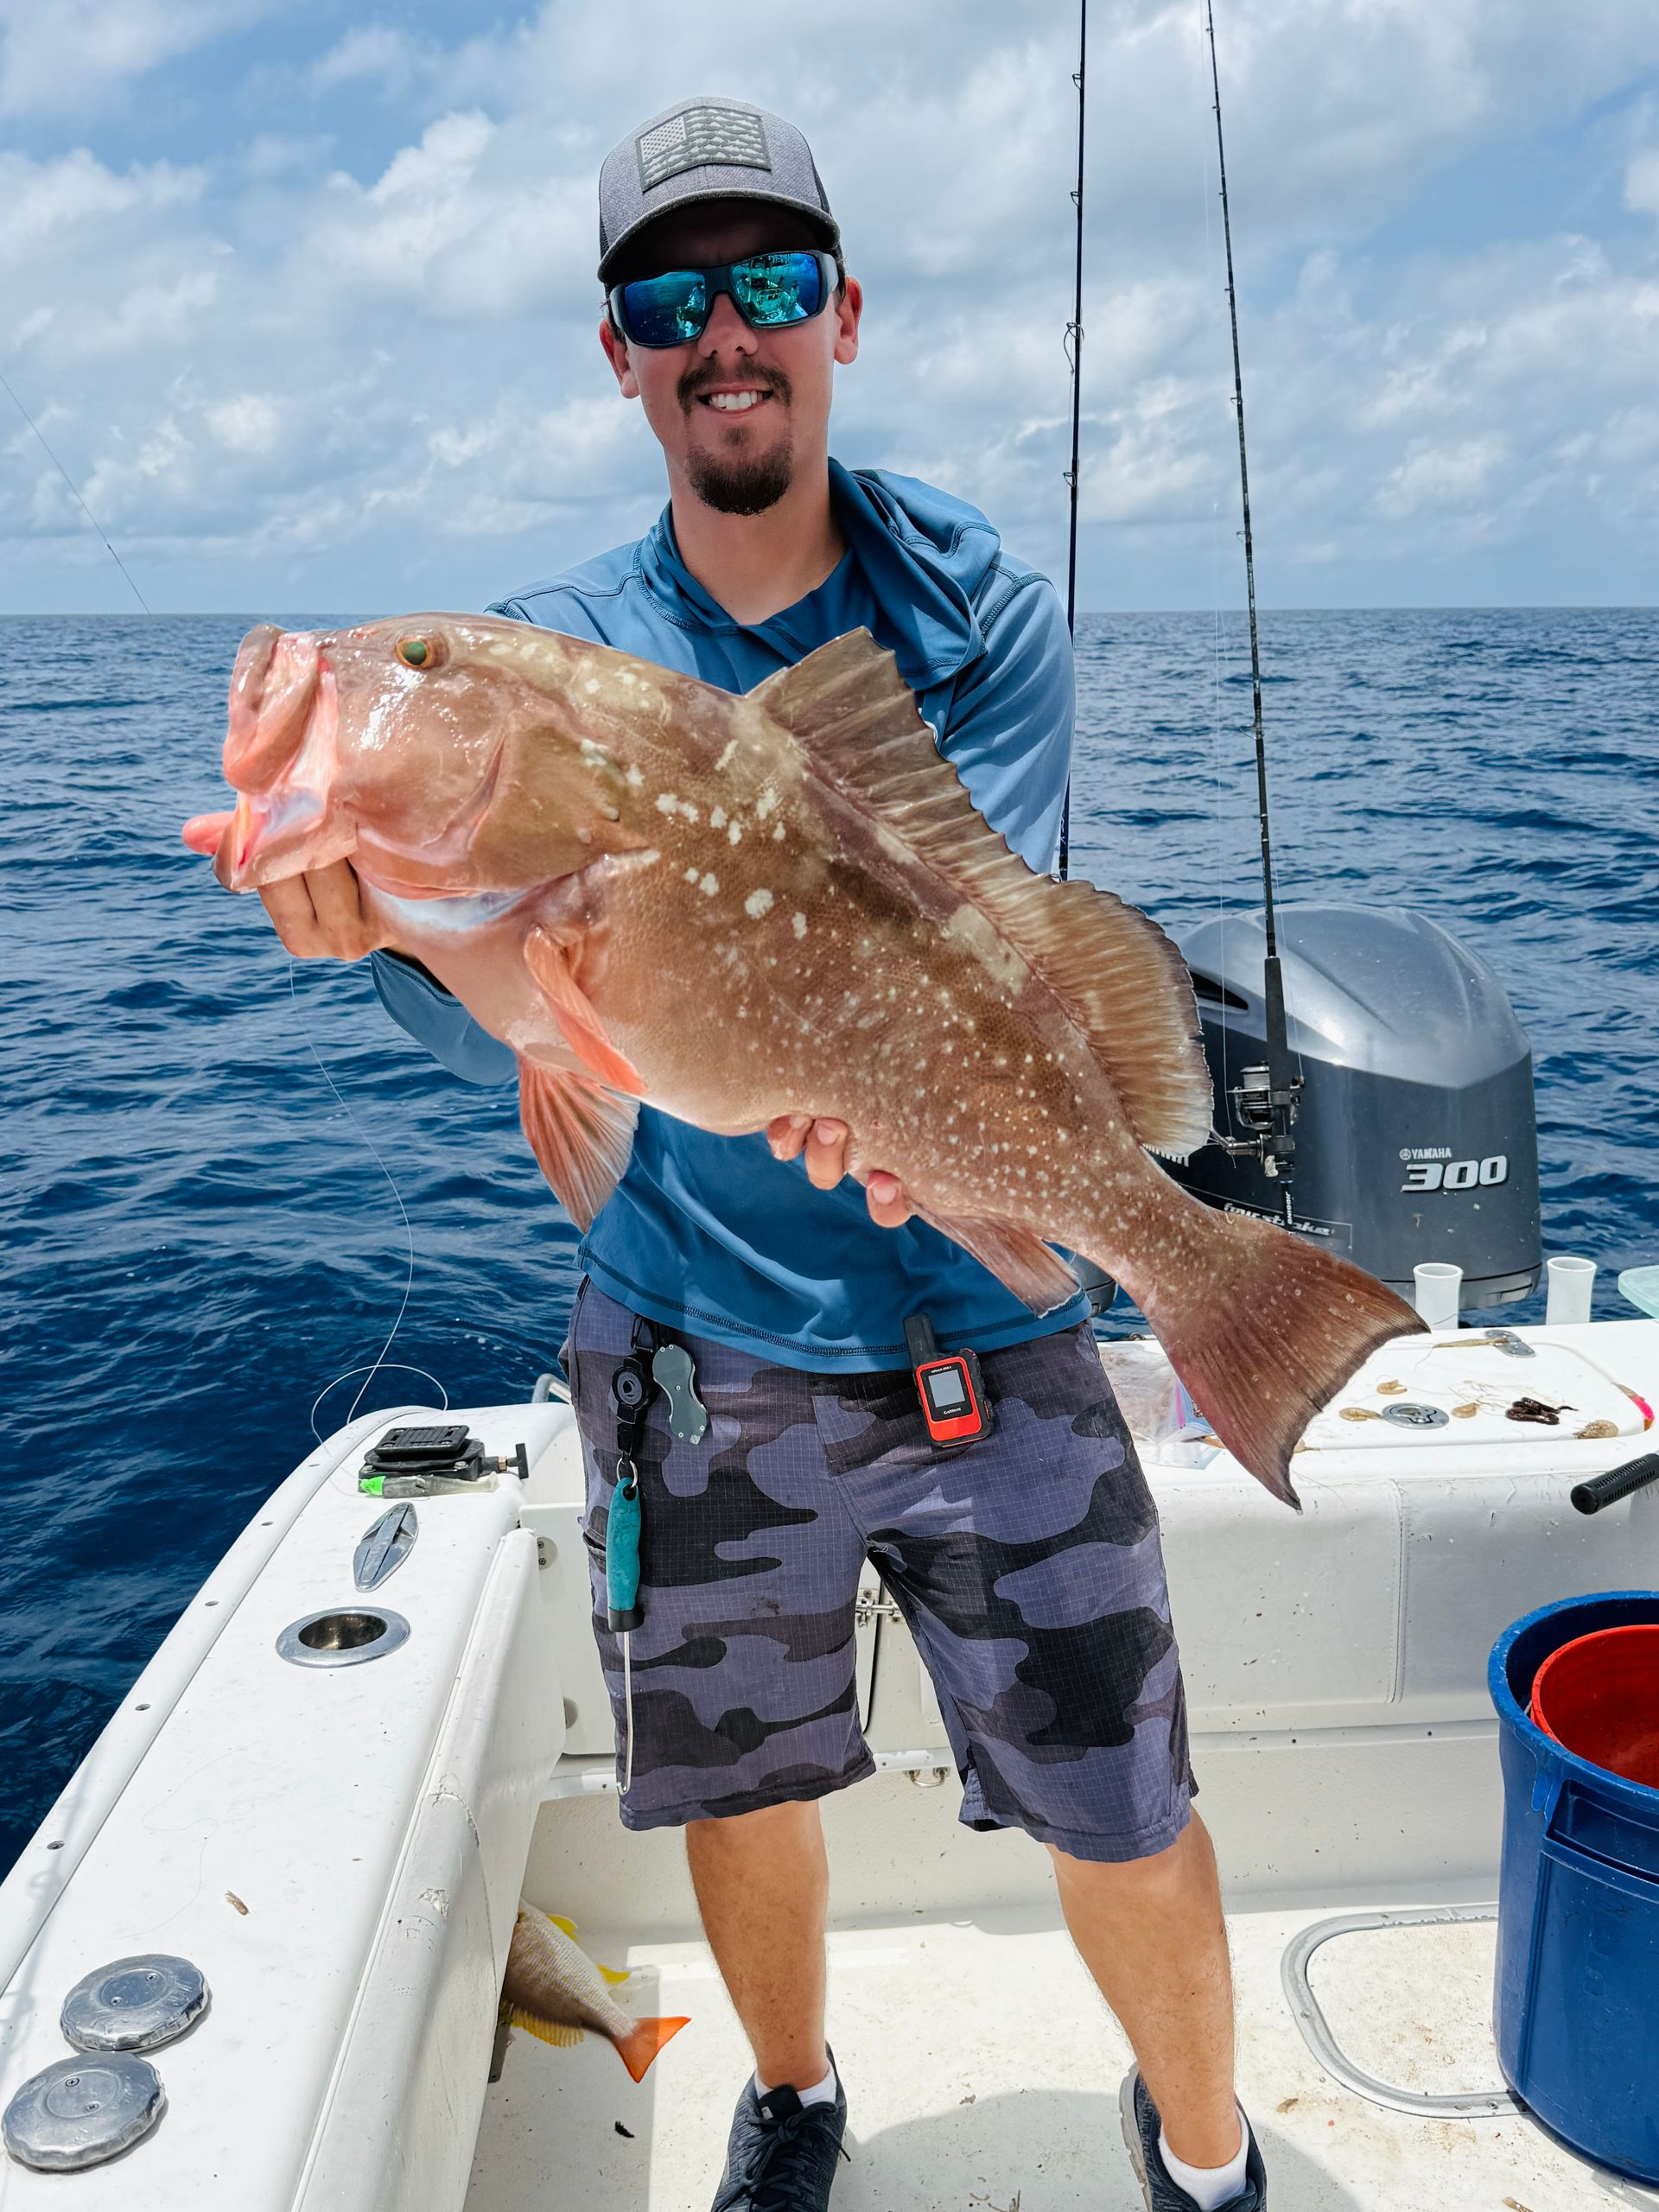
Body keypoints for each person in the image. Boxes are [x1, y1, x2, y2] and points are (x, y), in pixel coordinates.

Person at [259, 94, 1266, 2212]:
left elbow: (935, 920)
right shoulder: (563, 646)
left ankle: (1203, 2141)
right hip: (699, 1336)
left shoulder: (966, 594)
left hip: (990, 1299)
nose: (727, 330)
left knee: (1123, 1787)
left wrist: (860, 1076)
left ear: (843, 318)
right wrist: (392, 922)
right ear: (619, 349)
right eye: (669, 294)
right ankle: (791, 2094)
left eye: (772, 283)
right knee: (741, 1775)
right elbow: (505, 1008)